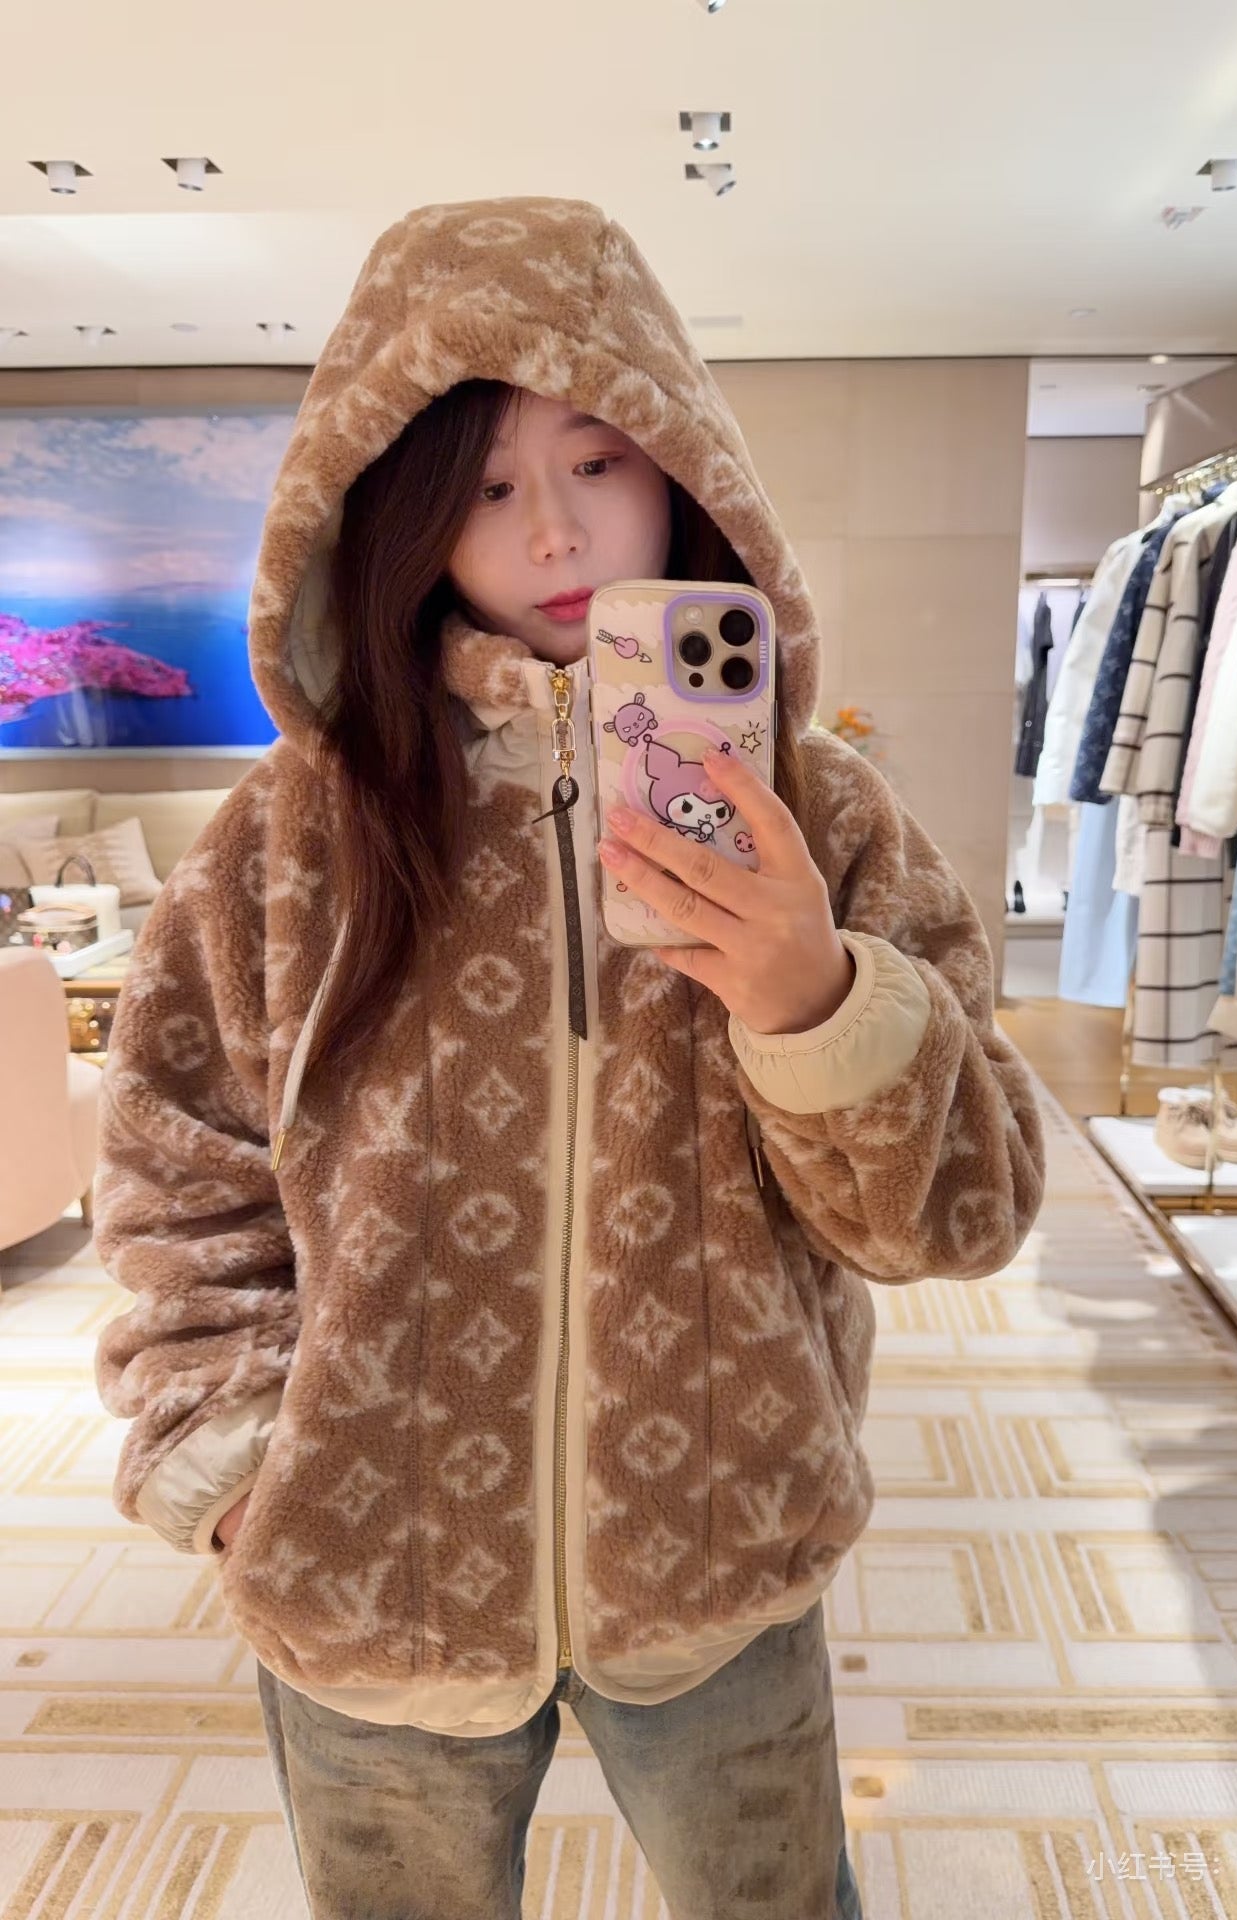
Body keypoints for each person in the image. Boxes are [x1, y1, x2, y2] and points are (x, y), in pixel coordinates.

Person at [91, 195, 1046, 1920]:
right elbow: (174, 1172)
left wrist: (816, 1000)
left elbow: (958, 1219)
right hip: (370, 1585)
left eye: (600, 460)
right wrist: (235, 1465)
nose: (555, 530)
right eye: (482, 485)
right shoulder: (289, 840)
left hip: (722, 1556)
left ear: (684, 466)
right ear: (387, 511)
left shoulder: (817, 815)